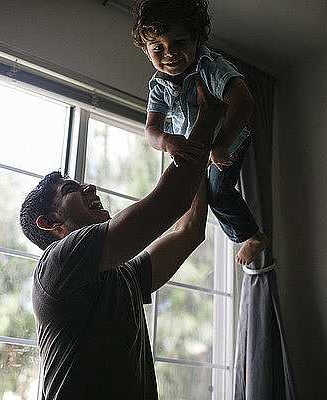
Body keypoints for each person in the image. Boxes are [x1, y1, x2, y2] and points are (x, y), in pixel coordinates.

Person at [19, 78, 221, 399]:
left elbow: (189, 230)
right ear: (50, 223)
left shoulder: (124, 274)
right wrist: (206, 116)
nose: (91, 188)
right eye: (72, 189)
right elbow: (171, 200)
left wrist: (200, 157)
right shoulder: (59, 262)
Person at [132, 0, 268, 266]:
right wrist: (166, 141)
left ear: (196, 40)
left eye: (179, 42)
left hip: (229, 140)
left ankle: (252, 237)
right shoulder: (159, 85)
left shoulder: (210, 67)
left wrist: (221, 144)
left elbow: (244, 102)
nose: (169, 53)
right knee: (189, 194)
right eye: (158, 48)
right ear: (148, 53)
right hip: (195, 147)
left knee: (219, 194)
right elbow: (151, 129)